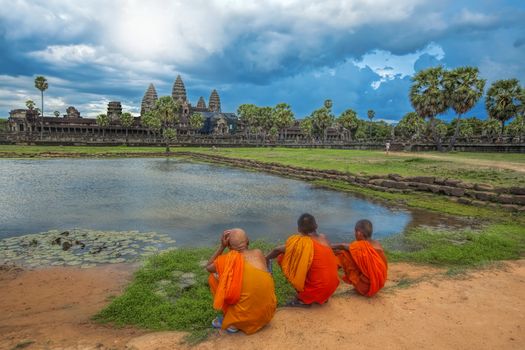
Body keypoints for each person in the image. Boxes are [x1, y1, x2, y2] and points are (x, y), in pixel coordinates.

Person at [206, 228, 276, 334]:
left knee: (212, 277)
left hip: (246, 320)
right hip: (267, 315)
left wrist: (221, 247)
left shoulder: (227, 260)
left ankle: (234, 324)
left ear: (229, 247)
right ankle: (243, 318)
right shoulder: (258, 253)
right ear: (248, 241)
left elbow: (208, 267)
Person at [265, 213, 339, 307]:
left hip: (318, 289)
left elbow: (277, 250)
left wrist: (265, 259)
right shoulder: (323, 237)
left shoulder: (303, 243)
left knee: (282, 257)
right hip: (331, 288)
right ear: (316, 226)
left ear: (299, 229)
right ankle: (320, 296)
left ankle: (303, 300)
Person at [331, 219, 388, 297]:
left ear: (359, 233)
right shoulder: (377, 244)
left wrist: (325, 247)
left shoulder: (359, 246)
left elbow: (342, 246)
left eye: (355, 231)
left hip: (365, 288)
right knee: (349, 252)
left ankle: (329, 277)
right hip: (378, 284)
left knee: (342, 253)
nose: (355, 234)